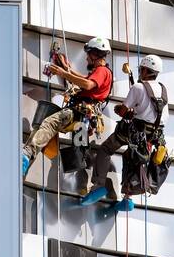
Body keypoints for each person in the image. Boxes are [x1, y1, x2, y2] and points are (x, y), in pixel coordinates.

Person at [80, 54, 169, 211]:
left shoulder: (138, 87)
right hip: (155, 134)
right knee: (134, 159)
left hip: (137, 131)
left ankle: (99, 185)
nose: (140, 72)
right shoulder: (162, 89)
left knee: (106, 149)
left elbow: (122, 110)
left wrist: (121, 110)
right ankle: (127, 201)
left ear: (146, 70)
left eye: (141, 69)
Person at [22, 38, 113, 172]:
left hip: (78, 112)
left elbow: (87, 84)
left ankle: (26, 155)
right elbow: (84, 79)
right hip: (83, 117)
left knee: (48, 123)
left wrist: (63, 73)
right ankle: (26, 161)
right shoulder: (101, 72)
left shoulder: (102, 71)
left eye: (88, 54)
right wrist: (66, 68)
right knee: (54, 131)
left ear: (95, 54)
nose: (86, 58)